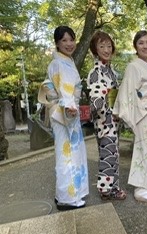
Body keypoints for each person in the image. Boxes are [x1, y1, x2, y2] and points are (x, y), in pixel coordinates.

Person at [113, 30, 147, 202]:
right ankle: (140, 187)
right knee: (144, 148)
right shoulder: (133, 66)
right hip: (143, 111)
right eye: (141, 42)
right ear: (135, 46)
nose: (145, 46)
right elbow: (128, 90)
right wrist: (138, 110)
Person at [47, 26, 89, 210]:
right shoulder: (58, 64)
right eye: (64, 40)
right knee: (68, 155)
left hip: (64, 111)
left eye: (71, 39)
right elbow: (66, 91)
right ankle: (68, 199)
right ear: (57, 43)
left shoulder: (66, 61)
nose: (69, 44)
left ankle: (63, 194)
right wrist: (71, 108)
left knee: (66, 154)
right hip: (65, 112)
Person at [87, 30, 126, 200]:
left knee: (113, 154)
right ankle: (106, 189)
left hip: (113, 119)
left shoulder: (110, 71)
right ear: (95, 49)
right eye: (101, 46)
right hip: (104, 120)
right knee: (108, 154)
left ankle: (113, 187)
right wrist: (105, 113)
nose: (106, 49)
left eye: (109, 45)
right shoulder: (95, 72)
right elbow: (96, 99)